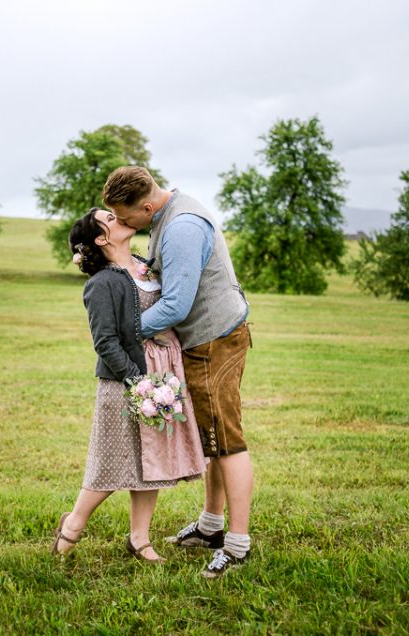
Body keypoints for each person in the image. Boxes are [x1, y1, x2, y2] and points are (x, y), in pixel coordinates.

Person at [102, 166, 253, 579]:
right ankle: (210, 527)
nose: (124, 224)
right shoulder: (163, 217)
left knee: (227, 440)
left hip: (215, 340)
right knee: (212, 438)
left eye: (126, 216)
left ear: (146, 206)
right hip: (201, 342)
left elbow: (175, 306)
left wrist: (126, 335)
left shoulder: (183, 227)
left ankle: (237, 546)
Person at [51, 207, 205, 563]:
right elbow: (105, 342)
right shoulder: (102, 283)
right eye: (109, 217)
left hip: (162, 374)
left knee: (150, 462)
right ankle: (72, 526)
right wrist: (137, 382)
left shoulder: (143, 264)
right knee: (110, 463)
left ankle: (139, 539)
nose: (119, 215)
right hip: (125, 382)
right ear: (101, 238)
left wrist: (160, 378)